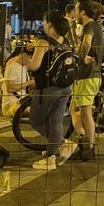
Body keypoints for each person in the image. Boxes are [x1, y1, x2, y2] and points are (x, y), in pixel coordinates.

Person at [27, 10, 78, 170]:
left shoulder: (44, 42)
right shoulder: (65, 41)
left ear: (50, 24)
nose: (43, 24)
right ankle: (53, 152)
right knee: (55, 121)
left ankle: (60, 146)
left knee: (36, 121)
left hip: (47, 88)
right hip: (64, 87)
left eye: (44, 22)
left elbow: (34, 66)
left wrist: (26, 59)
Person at [71, 0, 102, 160]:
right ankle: (84, 139)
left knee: (85, 111)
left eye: (76, 10)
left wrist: (81, 57)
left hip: (88, 75)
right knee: (74, 109)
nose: (75, 13)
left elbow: (87, 42)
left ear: (83, 12)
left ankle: (89, 147)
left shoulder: (89, 26)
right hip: (92, 75)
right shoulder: (95, 26)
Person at [1, 47, 35, 118]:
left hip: (22, 102)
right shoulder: (12, 67)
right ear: (24, 55)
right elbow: (10, 88)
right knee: (33, 112)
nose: (31, 61)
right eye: (31, 57)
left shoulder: (24, 68)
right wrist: (29, 83)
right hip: (11, 105)